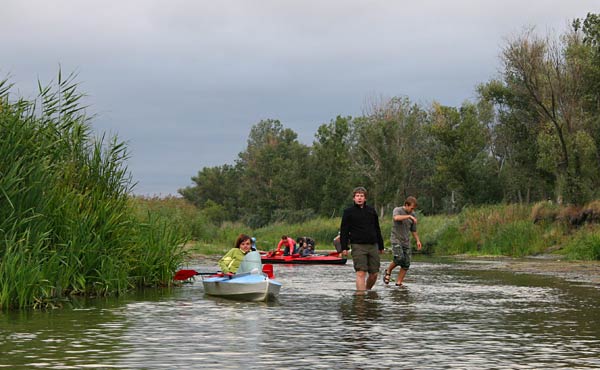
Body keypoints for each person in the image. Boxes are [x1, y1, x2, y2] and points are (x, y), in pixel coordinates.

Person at [339, 186, 385, 291]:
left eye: (361, 196)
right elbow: (344, 230)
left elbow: (377, 228)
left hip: (373, 244)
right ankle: (360, 299)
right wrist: (344, 247)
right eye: (357, 196)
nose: (359, 198)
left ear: (365, 198)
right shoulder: (348, 212)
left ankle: (367, 291)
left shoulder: (371, 211)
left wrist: (381, 246)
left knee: (374, 274)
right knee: (361, 272)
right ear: (354, 198)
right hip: (357, 245)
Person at [383, 196, 422, 286]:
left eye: (414, 209)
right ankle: (388, 271)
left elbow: (413, 230)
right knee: (399, 258)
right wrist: (408, 216)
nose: (412, 210)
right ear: (406, 205)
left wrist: (418, 241)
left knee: (406, 263)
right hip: (396, 239)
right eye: (411, 208)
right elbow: (396, 218)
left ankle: (399, 283)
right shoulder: (397, 210)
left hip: (406, 241)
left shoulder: (413, 214)